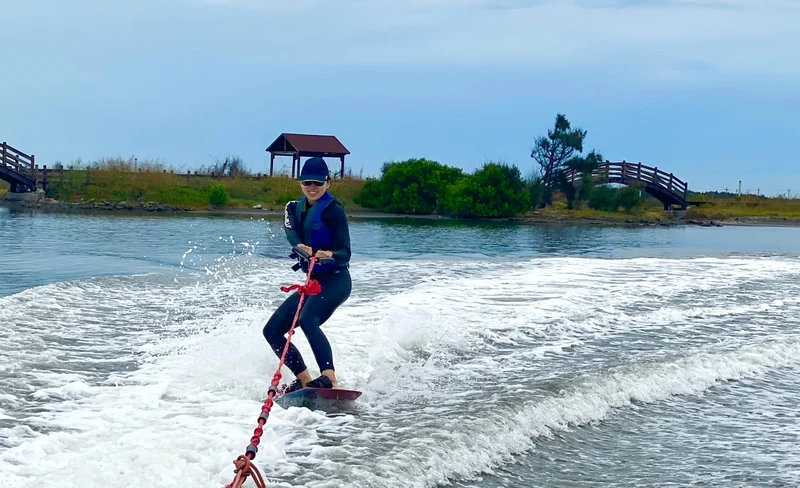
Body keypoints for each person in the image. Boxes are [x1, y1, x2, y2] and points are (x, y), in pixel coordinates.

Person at [262, 157, 352, 393]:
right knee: (271, 331)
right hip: (313, 283)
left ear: (328, 184)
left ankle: (330, 379)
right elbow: (291, 234)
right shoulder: (292, 207)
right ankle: (304, 380)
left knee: (307, 319)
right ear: (300, 183)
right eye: (307, 182)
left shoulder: (334, 211)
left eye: (318, 183)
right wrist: (300, 246)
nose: (312, 187)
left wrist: (329, 254)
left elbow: (345, 254)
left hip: (336, 280)